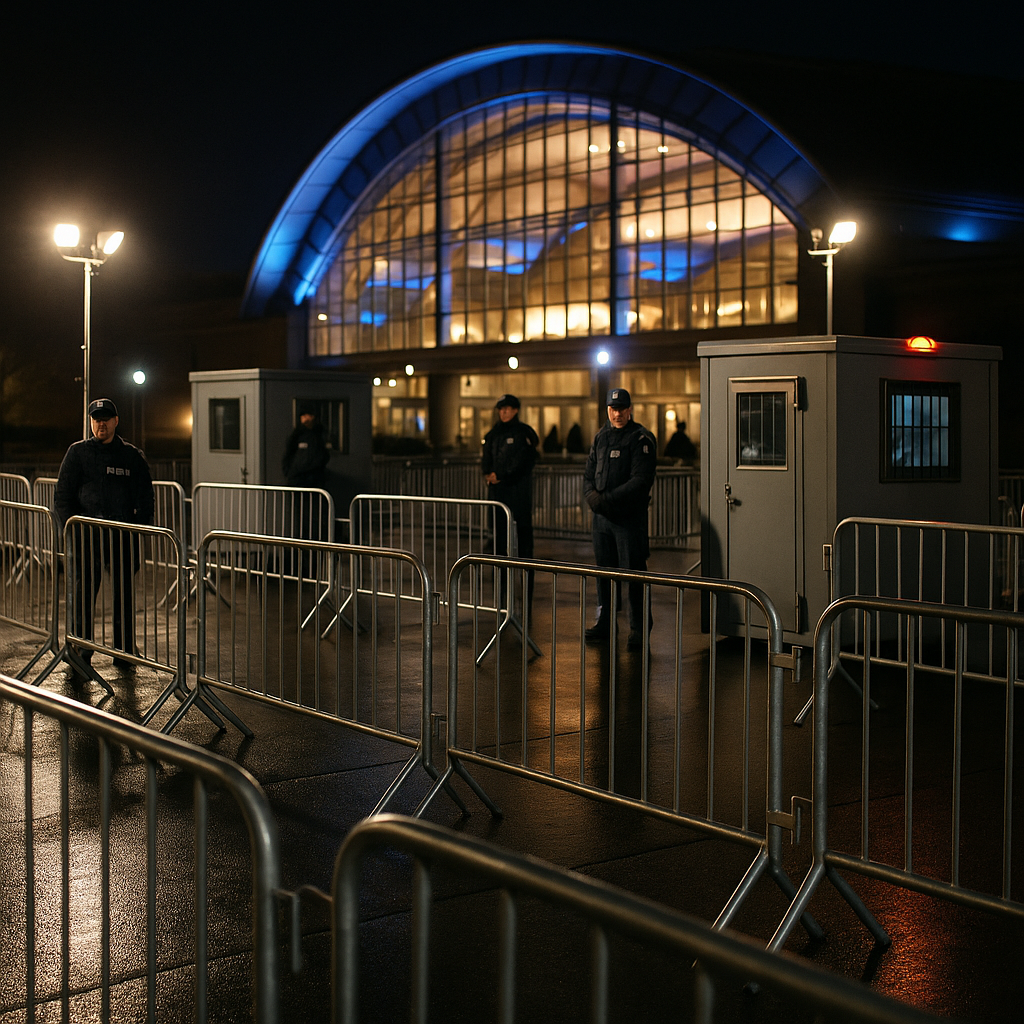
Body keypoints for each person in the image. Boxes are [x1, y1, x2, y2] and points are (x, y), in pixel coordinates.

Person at [54, 398, 155, 670]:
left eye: (106, 418)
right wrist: (71, 529)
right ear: (90, 421)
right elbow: (62, 497)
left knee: (123, 596)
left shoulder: (132, 456)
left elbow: (146, 497)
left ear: (116, 421)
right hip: (86, 539)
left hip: (121, 538)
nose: (101, 423)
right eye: (97, 418)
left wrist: (137, 530)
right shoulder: (77, 453)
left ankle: (124, 651)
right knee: (83, 596)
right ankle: (80, 651)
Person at [582, 388, 657, 650]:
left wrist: (606, 500)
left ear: (629, 409)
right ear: (607, 410)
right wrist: (593, 499)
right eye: (613, 409)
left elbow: (640, 481)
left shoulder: (641, 439)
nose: (617, 414)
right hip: (602, 521)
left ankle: (638, 628)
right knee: (604, 573)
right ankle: (606, 623)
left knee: (634, 575)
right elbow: (589, 475)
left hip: (628, 520)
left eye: (622, 408)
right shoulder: (601, 437)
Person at [481, 394, 540, 560]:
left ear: (515, 410)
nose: (503, 412)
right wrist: (488, 473)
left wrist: (502, 476)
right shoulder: (493, 434)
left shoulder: (523, 433)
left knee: (524, 538)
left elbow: (525, 461)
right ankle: (501, 580)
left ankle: (526, 578)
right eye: (501, 409)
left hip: (519, 492)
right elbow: (486, 458)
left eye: (507, 409)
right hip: (498, 494)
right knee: (499, 539)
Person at [282, 403, 330, 488]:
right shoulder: (296, 435)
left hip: (314, 480)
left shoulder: (319, 435)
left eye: (307, 415)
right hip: (296, 480)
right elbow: (288, 454)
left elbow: (323, 455)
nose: (305, 418)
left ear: (313, 417)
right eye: (303, 415)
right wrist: (289, 472)